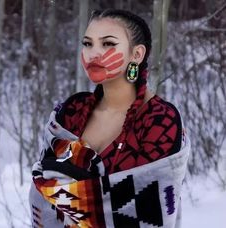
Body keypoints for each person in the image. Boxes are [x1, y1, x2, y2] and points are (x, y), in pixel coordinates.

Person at [29, 9, 190, 228]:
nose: (93, 53)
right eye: (87, 43)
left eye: (107, 44)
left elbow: (151, 210)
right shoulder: (71, 112)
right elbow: (42, 187)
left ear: (137, 54)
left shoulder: (159, 120)